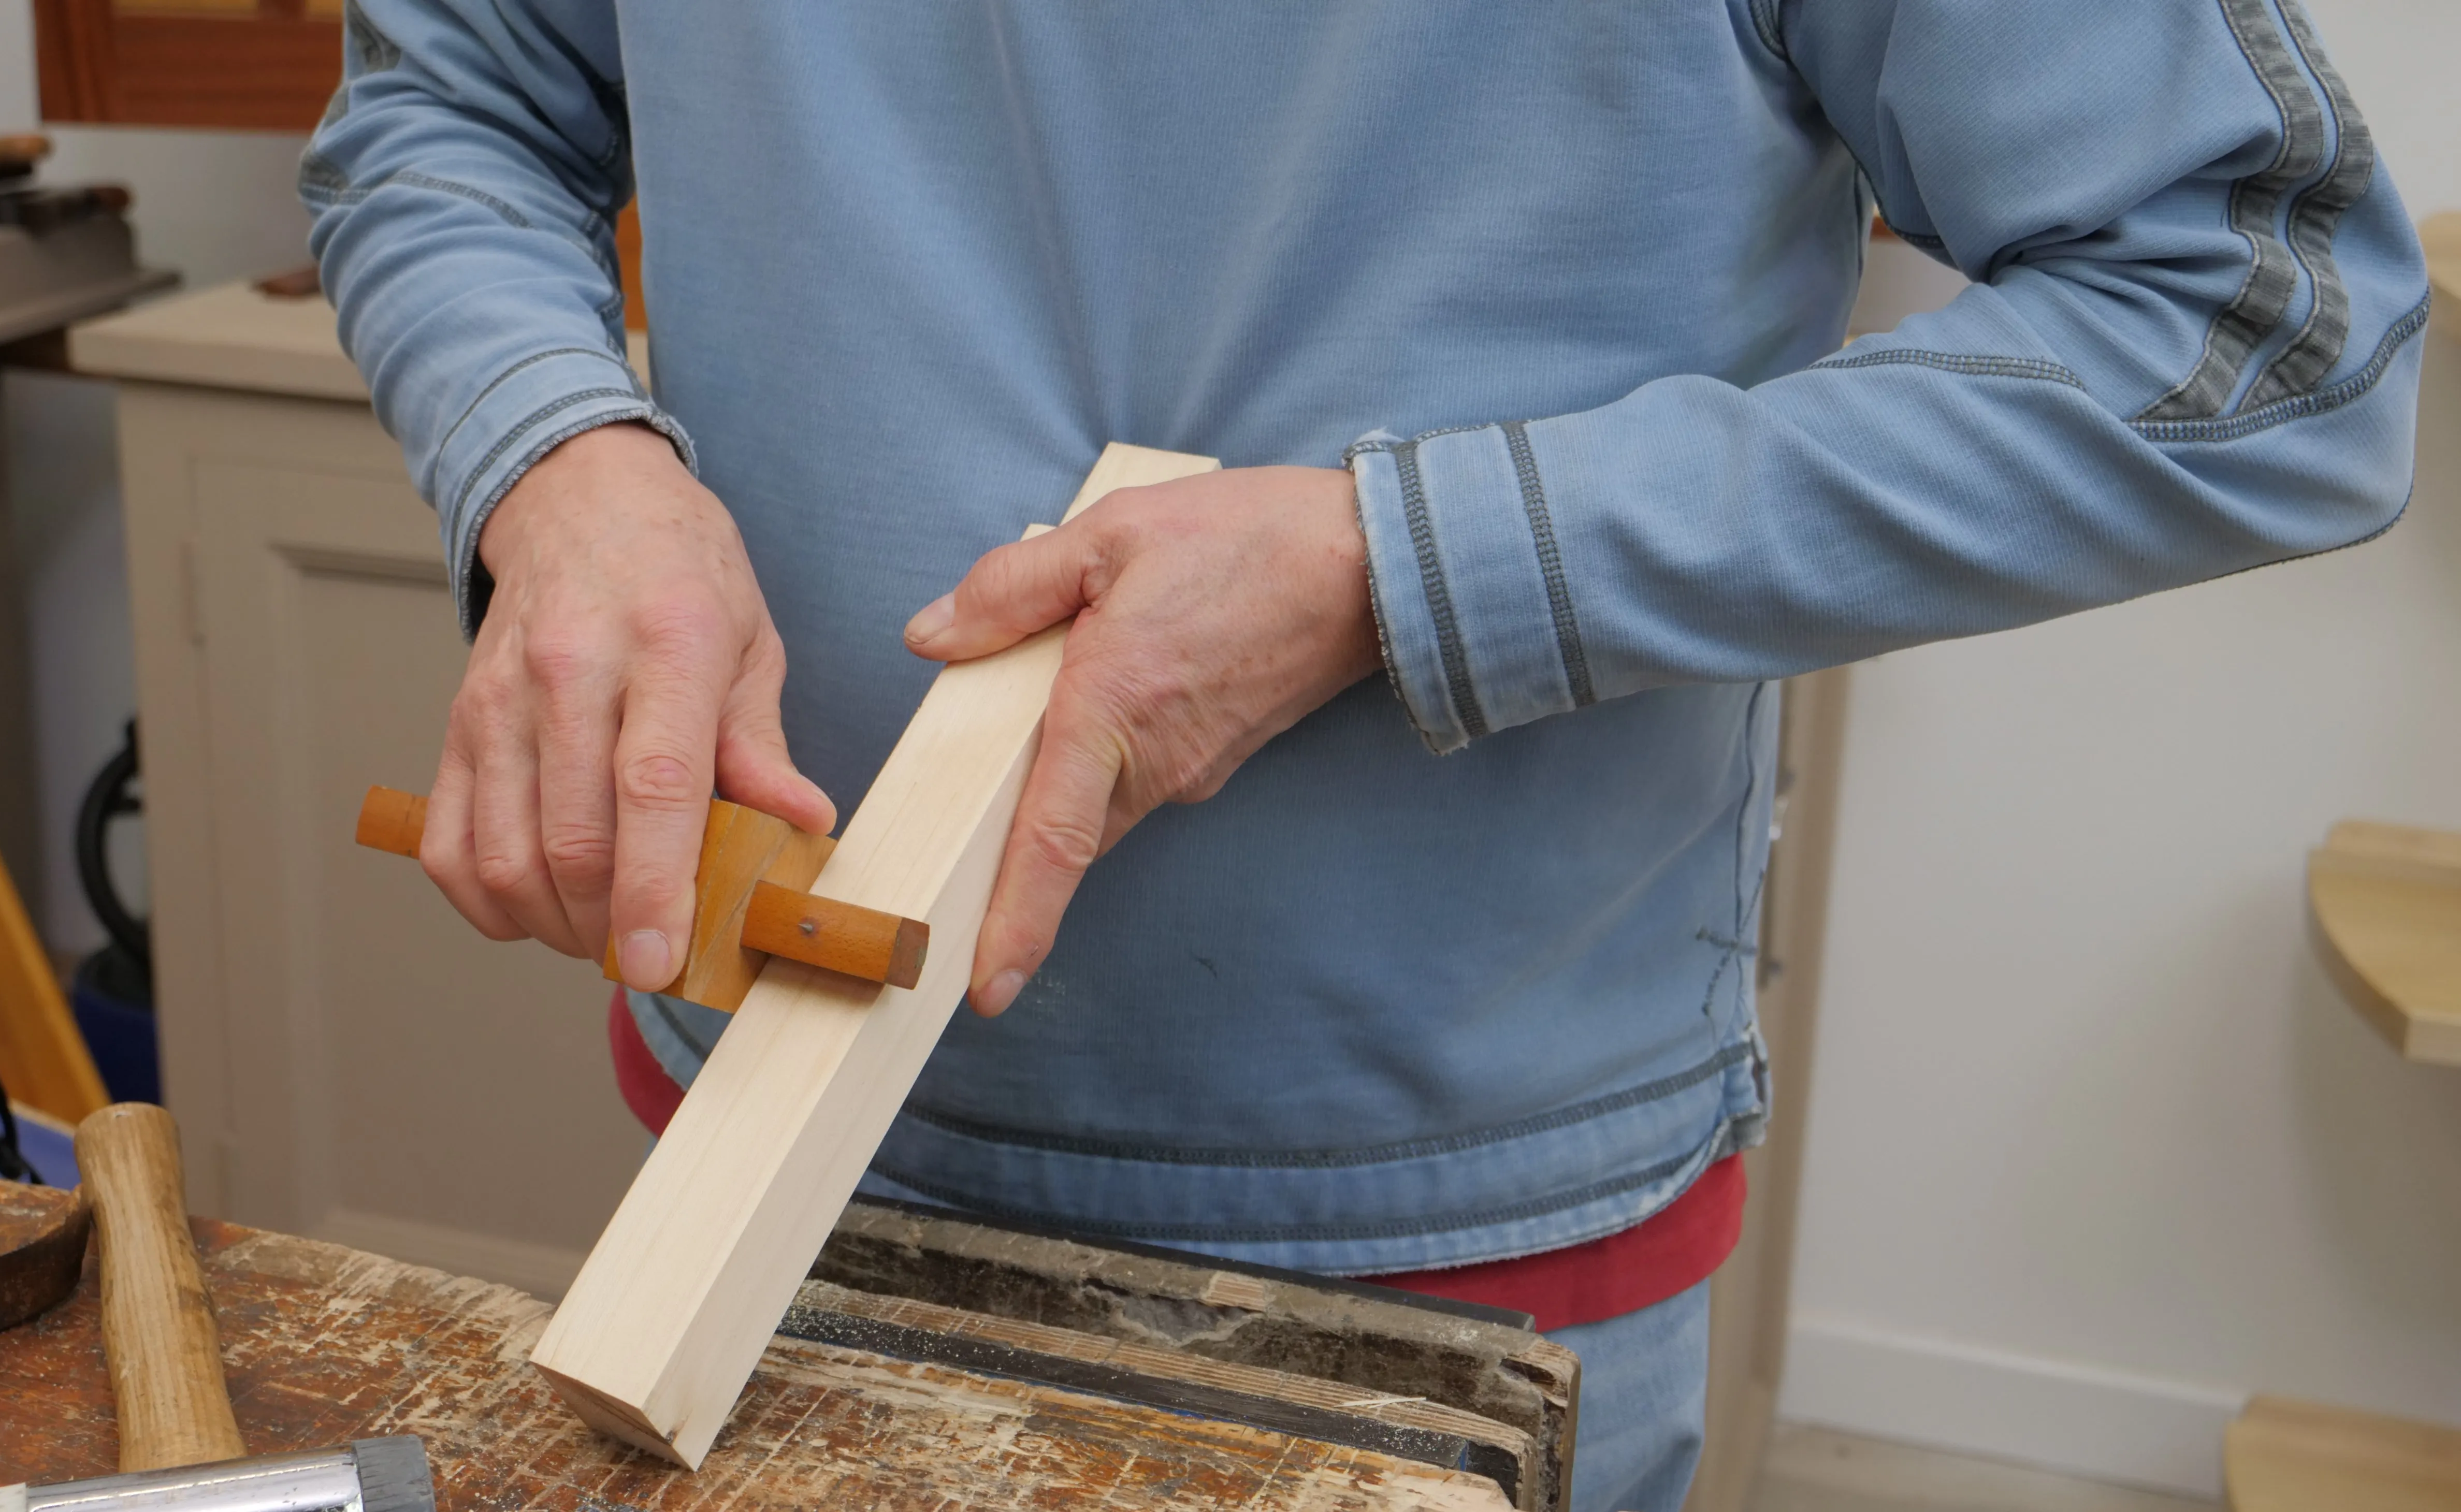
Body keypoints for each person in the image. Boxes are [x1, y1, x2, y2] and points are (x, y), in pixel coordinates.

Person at [300, 4, 2425, 1506]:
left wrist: (1403, 562)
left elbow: (2268, 327)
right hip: (768, 1142)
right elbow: (452, 103)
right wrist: (561, 467)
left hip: (1442, 1253)